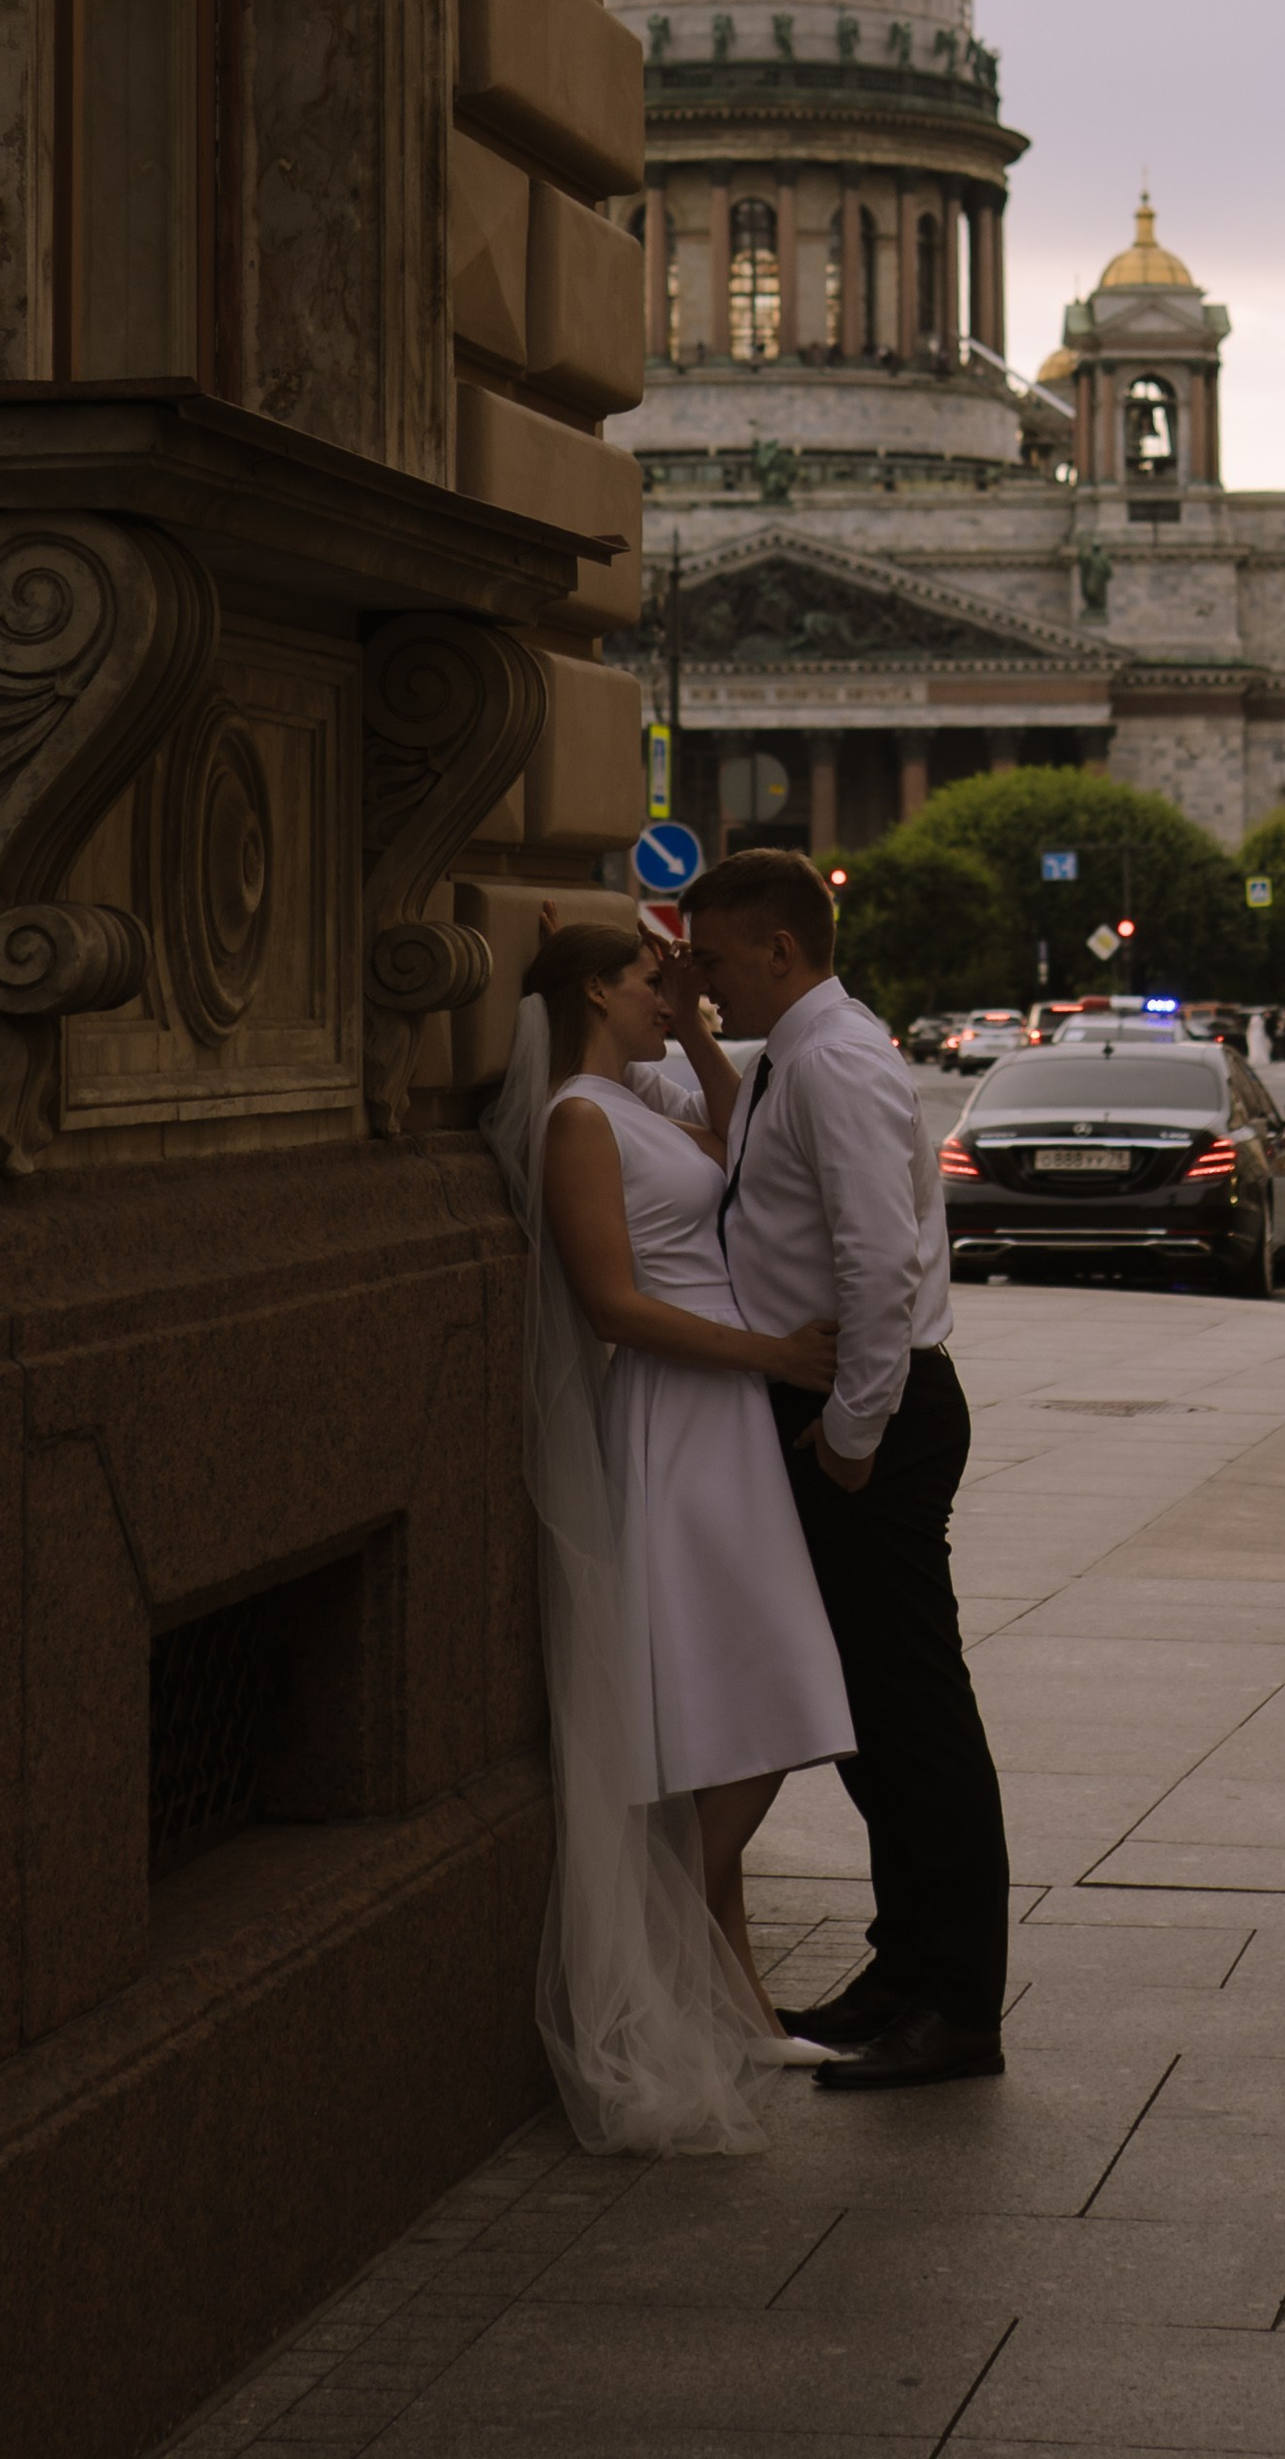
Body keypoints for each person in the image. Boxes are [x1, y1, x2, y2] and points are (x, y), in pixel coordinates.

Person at [481, 921, 855, 2155]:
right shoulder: (579, 1120)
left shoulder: (643, 1094)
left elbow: (740, 1136)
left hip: (724, 1417)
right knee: (771, 1693)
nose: (674, 998)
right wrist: (769, 1354)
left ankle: (735, 2004)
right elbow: (612, 1305)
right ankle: (654, 1939)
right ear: (595, 987)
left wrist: (695, 1030)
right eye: (653, 981)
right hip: (680, 1418)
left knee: (724, 1715)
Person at [678, 847, 1013, 2093]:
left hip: (876, 1414)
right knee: (872, 1720)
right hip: (847, 1407)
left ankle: (958, 2007)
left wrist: (853, 1439)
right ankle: (905, 1970)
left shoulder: (832, 1061)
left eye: (713, 960)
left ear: (778, 949)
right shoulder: (800, 1058)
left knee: (913, 1716)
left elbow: (880, 1265)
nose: (703, 984)